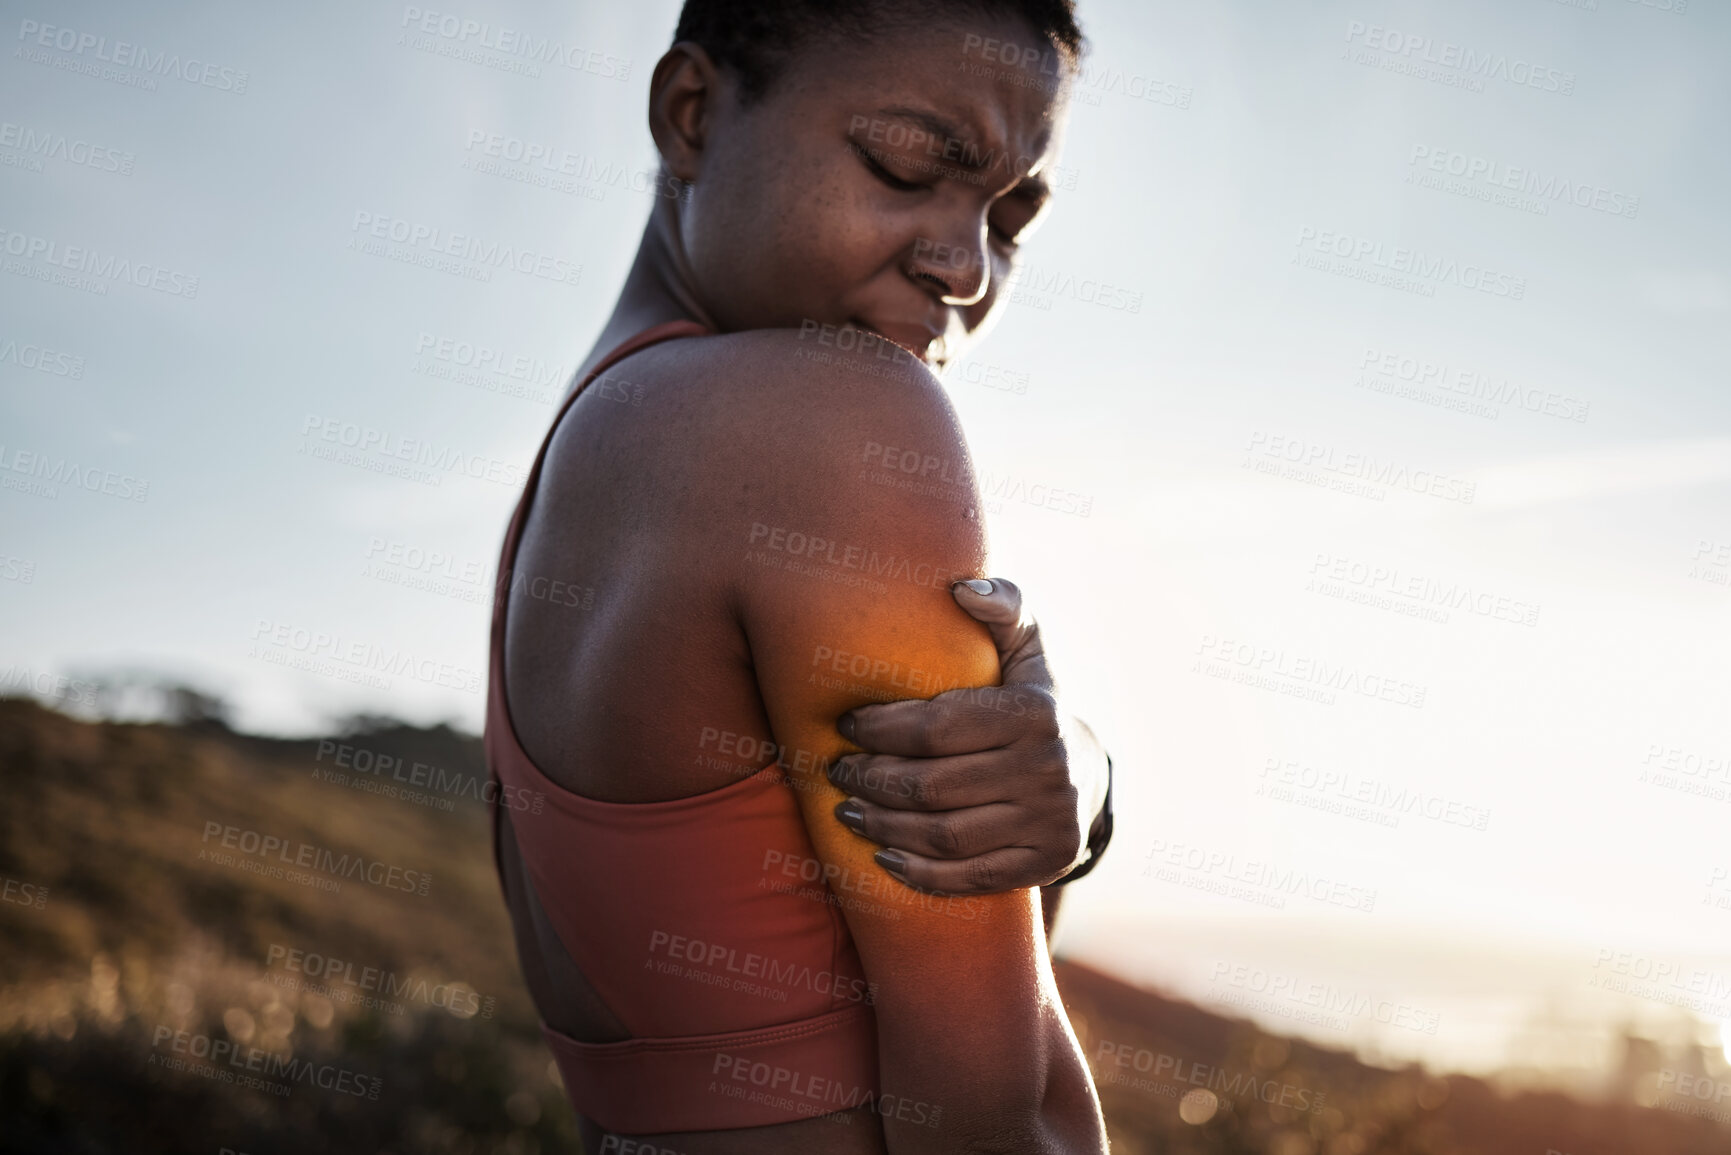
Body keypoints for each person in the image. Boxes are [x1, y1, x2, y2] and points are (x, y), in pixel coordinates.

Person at [485, 1, 1113, 1150]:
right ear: (692, 114)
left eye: (1011, 217)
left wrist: (1081, 803)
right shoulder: (831, 412)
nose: (965, 268)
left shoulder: (587, 456)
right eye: (906, 165)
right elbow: (980, 1119)